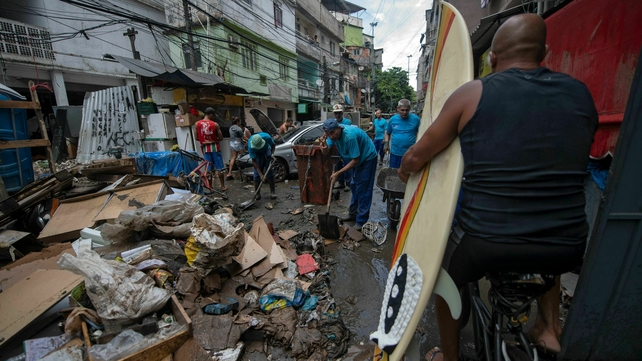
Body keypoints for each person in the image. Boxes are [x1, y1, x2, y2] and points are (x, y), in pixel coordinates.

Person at [397, 14, 598, 361]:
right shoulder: (580, 94)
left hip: (487, 241)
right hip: (568, 244)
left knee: (445, 280)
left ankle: (449, 356)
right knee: (547, 254)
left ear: (491, 59)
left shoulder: (473, 93)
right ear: (545, 52)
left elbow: (417, 157)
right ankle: (550, 327)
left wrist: (404, 172)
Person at [319, 118, 377, 230]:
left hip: (367, 158)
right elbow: (326, 152)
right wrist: (324, 149)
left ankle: (361, 221)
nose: (331, 136)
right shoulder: (331, 135)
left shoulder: (349, 136)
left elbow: (356, 160)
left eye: (333, 133)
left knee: (363, 189)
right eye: (328, 134)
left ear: (339, 128)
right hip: (352, 159)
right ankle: (353, 214)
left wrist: (338, 174)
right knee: (354, 186)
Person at [195, 107, 226, 191]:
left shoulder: (197, 124)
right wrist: (213, 140)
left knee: (208, 169)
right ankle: (223, 186)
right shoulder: (215, 124)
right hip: (215, 148)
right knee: (220, 168)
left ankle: (210, 187)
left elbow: (196, 137)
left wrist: (205, 141)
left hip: (205, 149)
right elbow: (221, 137)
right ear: (211, 115)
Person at [384, 99, 420, 169]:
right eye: (402, 110)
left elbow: (420, 133)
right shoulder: (392, 119)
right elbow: (387, 133)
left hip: (410, 154)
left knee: (409, 174)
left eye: (407, 110)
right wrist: (386, 143)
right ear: (398, 108)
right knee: (394, 174)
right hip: (395, 154)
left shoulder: (416, 119)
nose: (404, 112)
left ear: (409, 109)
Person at [330, 103, 353, 190]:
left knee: (346, 165)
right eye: (336, 113)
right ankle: (340, 182)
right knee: (338, 165)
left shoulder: (347, 122)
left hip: (345, 147)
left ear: (342, 113)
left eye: (339, 113)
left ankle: (348, 183)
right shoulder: (332, 122)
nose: (337, 115)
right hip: (336, 147)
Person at [248, 132, 277, 200]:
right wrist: (261, 175)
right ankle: (257, 193)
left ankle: (272, 192)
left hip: (266, 149)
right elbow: (254, 161)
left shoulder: (267, 137)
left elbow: (273, 145)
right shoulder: (250, 146)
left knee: (269, 170)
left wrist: (272, 155)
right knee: (257, 174)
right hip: (258, 154)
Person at [226, 116, 244, 181]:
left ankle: (229, 173)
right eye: (239, 122)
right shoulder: (239, 128)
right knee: (243, 157)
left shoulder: (230, 128)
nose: (240, 123)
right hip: (238, 143)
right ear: (237, 122)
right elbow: (243, 137)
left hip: (232, 143)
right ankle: (243, 172)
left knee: (233, 158)